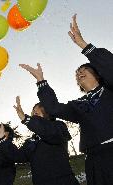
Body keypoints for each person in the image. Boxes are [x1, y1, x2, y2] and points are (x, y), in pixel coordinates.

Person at [19, 14, 113, 185]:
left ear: (97, 74)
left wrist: (84, 45)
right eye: (77, 73)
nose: (79, 73)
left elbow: (110, 67)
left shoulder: (109, 90)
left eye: (84, 69)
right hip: (94, 161)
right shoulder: (79, 106)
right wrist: (41, 81)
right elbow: (54, 108)